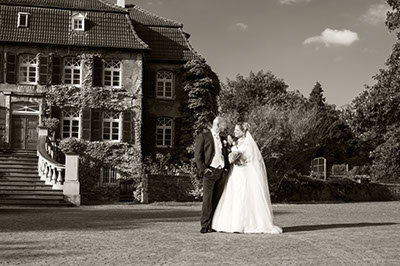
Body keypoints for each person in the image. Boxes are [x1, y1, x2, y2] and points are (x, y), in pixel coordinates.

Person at [211, 122, 282, 234]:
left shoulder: (248, 143)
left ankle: (247, 224)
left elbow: (249, 158)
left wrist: (237, 158)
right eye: (234, 130)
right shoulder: (237, 142)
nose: (235, 132)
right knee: (233, 195)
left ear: (243, 131)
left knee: (244, 195)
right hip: (236, 173)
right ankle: (231, 224)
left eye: (237, 130)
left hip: (244, 173)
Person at [195, 116, 230, 233]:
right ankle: (204, 225)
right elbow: (198, 156)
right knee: (207, 200)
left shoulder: (223, 138)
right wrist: (204, 170)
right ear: (218, 125)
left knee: (217, 199)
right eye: (223, 126)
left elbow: (225, 153)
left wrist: (226, 169)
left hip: (221, 172)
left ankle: (213, 224)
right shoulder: (204, 136)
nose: (224, 129)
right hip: (210, 172)